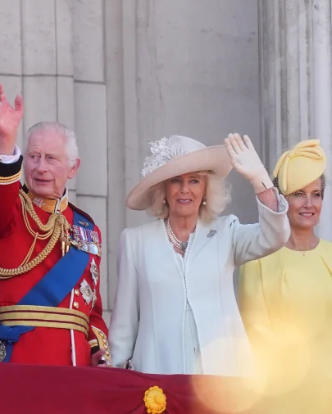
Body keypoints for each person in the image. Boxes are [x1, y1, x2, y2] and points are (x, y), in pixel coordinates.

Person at [109, 133, 290, 376]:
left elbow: (274, 236)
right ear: (163, 189)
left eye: (194, 181)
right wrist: (115, 376)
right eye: (176, 181)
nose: (185, 190)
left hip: (222, 383)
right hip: (157, 379)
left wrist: (261, 181)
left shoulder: (227, 232)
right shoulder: (135, 241)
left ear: (206, 189)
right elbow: (124, 326)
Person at [0, 84, 109, 366]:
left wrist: (96, 349)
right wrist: (6, 141)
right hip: (20, 358)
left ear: (73, 168)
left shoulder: (86, 228)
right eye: (33, 157)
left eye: (51, 159)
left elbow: (91, 308)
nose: (40, 167)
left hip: (76, 366)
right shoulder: (10, 211)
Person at [238, 139, 332, 382]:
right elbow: (256, 327)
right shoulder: (257, 260)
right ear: (282, 199)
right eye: (299, 194)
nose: (309, 204)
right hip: (283, 389)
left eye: (316, 194)